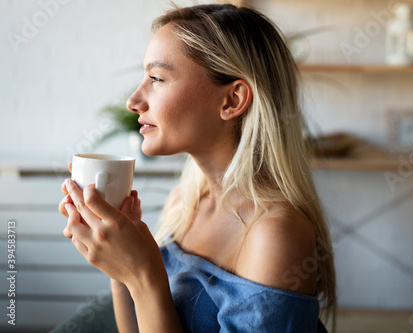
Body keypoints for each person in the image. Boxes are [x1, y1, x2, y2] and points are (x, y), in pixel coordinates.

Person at [59, 3, 336, 332]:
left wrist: (143, 275)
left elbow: (148, 290)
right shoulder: (183, 204)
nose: (133, 101)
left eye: (157, 78)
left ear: (232, 101)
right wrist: (120, 267)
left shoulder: (275, 234)